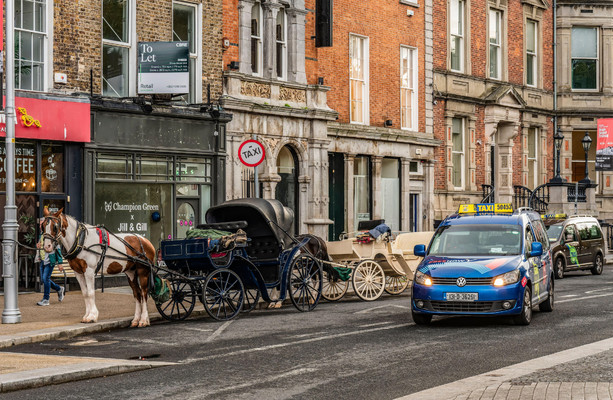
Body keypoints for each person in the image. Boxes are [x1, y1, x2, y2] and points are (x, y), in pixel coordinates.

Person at [35, 231, 65, 306]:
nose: (41, 225)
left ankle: (46, 299)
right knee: (43, 280)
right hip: (42, 260)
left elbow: (58, 249)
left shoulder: (52, 236)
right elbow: (41, 246)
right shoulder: (41, 235)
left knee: (45, 279)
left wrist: (60, 263)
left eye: (43, 223)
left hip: (49, 261)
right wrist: (38, 246)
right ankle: (59, 289)